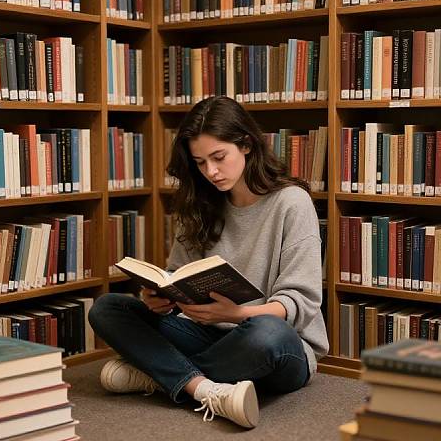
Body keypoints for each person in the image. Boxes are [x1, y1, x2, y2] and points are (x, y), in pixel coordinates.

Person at [88, 96, 329, 429]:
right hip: (209, 333)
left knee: (267, 333)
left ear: (245, 145)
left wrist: (238, 314)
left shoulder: (292, 203)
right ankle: (203, 388)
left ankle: (160, 375)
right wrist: (162, 298)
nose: (211, 172)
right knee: (108, 308)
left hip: (278, 345)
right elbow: (177, 274)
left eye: (219, 157)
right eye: (200, 163)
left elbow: (299, 303)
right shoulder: (201, 203)